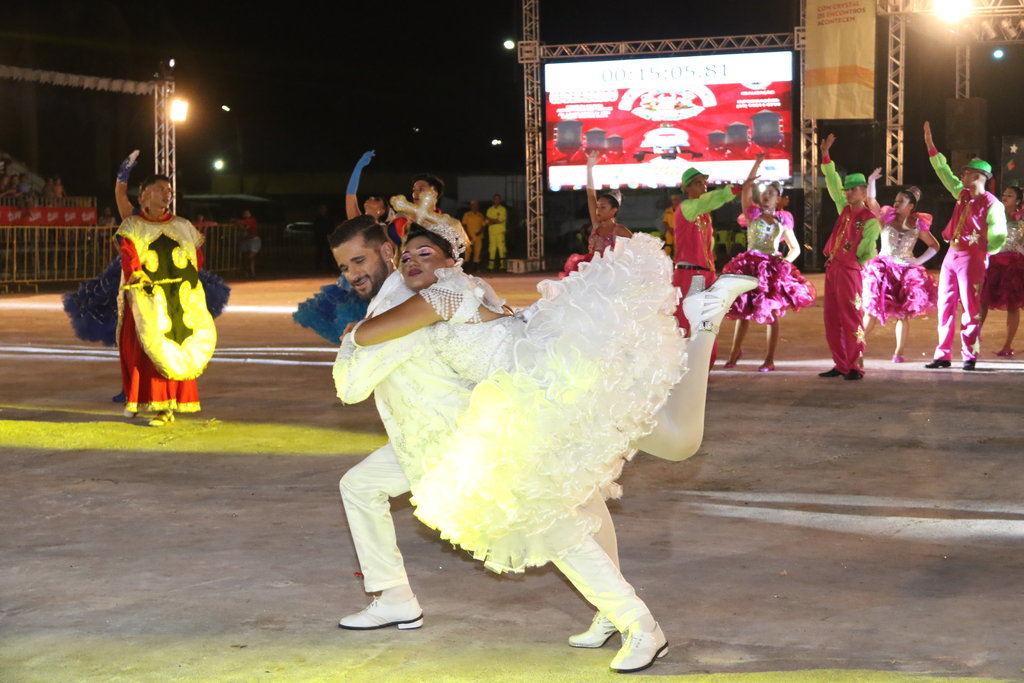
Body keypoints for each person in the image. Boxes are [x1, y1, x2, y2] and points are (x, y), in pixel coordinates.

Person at [333, 190, 756, 673]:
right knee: (591, 497)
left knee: (577, 505)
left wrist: (354, 334)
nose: (411, 261)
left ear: (451, 261)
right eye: (406, 254)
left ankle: (640, 625)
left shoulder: (441, 294)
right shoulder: (458, 290)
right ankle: (610, 615)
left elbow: (367, 340)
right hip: (522, 397)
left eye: (424, 253)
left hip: (542, 394)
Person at [116, 174, 216, 426]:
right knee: (138, 352)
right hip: (145, 298)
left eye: (169, 190)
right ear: (144, 196)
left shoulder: (183, 225)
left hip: (177, 300)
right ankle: (138, 400)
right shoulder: (132, 225)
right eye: (160, 189)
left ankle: (166, 407)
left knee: (170, 349)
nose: (167, 193)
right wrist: (138, 276)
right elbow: (129, 257)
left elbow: (196, 261)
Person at [922, 121, 1007, 370]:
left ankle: (970, 355)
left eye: (968, 173)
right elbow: (944, 173)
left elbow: (999, 236)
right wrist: (931, 147)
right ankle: (943, 354)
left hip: (973, 257)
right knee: (944, 304)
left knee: (971, 306)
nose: (962, 176)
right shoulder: (962, 194)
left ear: (980, 176)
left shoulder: (992, 204)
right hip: (952, 255)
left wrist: (983, 253)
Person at [722, 154, 815, 372]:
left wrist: (784, 265)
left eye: (771, 194)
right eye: (764, 193)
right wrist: (756, 166)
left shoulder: (783, 220)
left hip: (770, 269)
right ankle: (735, 351)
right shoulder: (752, 214)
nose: (766, 197)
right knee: (743, 311)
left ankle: (769, 358)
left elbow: (795, 249)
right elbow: (746, 189)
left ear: (778, 199)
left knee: (771, 314)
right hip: (749, 265)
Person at [818, 133, 881, 380]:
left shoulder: (869, 219)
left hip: (850, 272)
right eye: (847, 190)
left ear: (863, 191)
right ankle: (840, 363)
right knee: (832, 319)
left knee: (851, 317)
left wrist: (856, 263)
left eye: (852, 190)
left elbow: (867, 250)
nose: (847, 193)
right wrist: (826, 155)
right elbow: (832, 181)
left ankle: (855, 365)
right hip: (833, 269)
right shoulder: (844, 210)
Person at [861, 172, 940, 363]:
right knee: (871, 312)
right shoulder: (885, 219)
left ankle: (898, 352)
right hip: (883, 270)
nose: (896, 204)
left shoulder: (916, 224)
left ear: (911, 206)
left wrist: (918, 261)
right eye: (896, 200)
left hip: (906, 273)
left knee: (902, 315)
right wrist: (871, 181)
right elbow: (871, 201)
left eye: (901, 201)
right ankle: (857, 346)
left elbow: (935, 246)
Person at [672, 165, 740, 366]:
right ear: (687, 188)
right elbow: (708, 200)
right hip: (690, 274)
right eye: (698, 183)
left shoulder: (704, 215)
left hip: (705, 273)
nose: (704, 187)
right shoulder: (686, 208)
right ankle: (683, 366)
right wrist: (728, 193)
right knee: (687, 321)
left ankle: (705, 365)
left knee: (707, 321)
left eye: (704, 183)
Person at [560, 151, 632, 277]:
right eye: (597, 207)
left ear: (614, 210)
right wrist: (589, 169)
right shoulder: (596, 225)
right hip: (591, 269)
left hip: (609, 273)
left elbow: (638, 248)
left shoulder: (619, 230)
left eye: (603, 207)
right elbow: (590, 195)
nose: (598, 211)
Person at [980, 185, 1024, 356]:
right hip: (995, 263)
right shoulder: (994, 215)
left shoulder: (1021, 221)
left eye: (1010, 195)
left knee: (1013, 305)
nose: (1005, 197)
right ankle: (974, 336)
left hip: (1014, 265)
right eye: (1004, 194)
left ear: (1018, 201)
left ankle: (1007, 345)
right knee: (982, 301)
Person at [344, 150, 390, 223]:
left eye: (377, 199)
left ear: (381, 211)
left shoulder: (383, 229)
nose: (371, 197)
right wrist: (358, 167)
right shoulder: (358, 222)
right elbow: (350, 194)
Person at [460, 199, 487, 268]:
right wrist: (467, 235)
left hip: (478, 236)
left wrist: (480, 232)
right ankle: (465, 266)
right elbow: (464, 225)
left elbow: (483, 225)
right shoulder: (467, 215)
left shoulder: (480, 215)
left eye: (476, 205)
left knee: (477, 251)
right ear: (471, 206)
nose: (474, 207)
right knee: (468, 251)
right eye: (473, 205)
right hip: (469, 236)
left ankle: (476, 267)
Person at [484, 193, 508, 270]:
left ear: (500, 200)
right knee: (492, 249)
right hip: (492, 232)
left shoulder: (503, 209)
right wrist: (495, 220)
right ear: (493, 200)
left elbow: (500, 220)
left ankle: (503, 266)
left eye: (498, 199)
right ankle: (491, 266)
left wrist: (491, 220)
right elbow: (487, 222)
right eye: (495, 199)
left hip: (500, 232)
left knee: (502, 249)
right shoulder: (489, 210)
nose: (497, 200)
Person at [311, 203, 335, 272]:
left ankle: (329, 267)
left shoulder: (329, 217)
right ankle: (318, 267)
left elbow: (331, 226)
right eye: (322, 208)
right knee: (319, 253)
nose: (323, 210)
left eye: (324, 208)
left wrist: (330, 234)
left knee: (328, 253)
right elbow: (315, 227)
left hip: (327, 237)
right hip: (320, 237)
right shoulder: (317, 217)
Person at [236, 209, 260, 278]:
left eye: (247, 213)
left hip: (253, 240)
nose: (246, 214)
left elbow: (244, 227)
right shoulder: (245, 221)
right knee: (246, 257)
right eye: (244, 213)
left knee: (250, 257)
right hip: (246, 240)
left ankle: (251, 272)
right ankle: (250, 272)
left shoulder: (251, 220)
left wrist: (237, 222)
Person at [660, 192, 681, 257]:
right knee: (667, 248)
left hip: (679, 232)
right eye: (673, 200)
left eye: (676, 199)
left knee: (678, 249)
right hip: (669, 232)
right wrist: (670, 229)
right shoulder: (668, 210)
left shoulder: (682, 209)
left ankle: (676, 264)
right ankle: (666, 263)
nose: (674, 201)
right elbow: (665, 222)